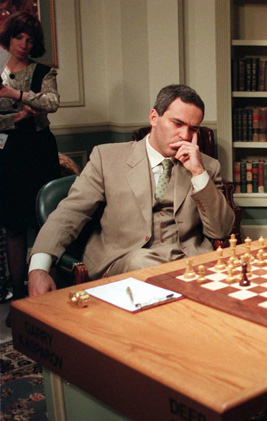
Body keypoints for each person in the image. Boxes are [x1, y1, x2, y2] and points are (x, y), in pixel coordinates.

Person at [27, 84, 235, 297]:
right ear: (154, 118)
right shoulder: (106, 158)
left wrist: (198, 174)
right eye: (177, 123)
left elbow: (220, 231)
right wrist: (38, 268)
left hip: (188, 263)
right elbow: (69, 214)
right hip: (125, 260)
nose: (185, 135)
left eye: (193, 129)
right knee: (142, 262)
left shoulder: (207, 166)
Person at [0, 12, 60, 306]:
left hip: (39, 150)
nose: (23, 44)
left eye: (29, 39)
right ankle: (19, 299)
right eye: (18, 37)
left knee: (44, 220)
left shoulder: (43, 72)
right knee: (13, 226)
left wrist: (14, 93)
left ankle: (45, 294)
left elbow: (51, 103)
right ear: (8, 38)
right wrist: (19, 116)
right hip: (9, 153)